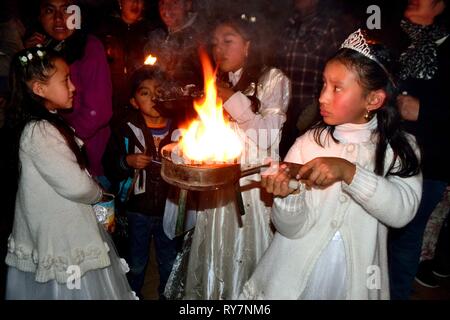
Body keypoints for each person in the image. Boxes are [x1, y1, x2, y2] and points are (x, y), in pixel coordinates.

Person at [240, 29, 422, 300]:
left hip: (357, 278)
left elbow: (401, 212)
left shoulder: (400, 148)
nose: (323, 97)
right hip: (296, 273)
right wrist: (286, 196)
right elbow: (290, 229)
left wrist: (350, 172)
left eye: (337, 88)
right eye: (324, 84)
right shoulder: (309, 142)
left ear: (373, 100)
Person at [3, 47, 135, 300]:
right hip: (60, 237)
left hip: (67, 228)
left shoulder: (50, 123)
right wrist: (98, 193)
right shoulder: (39, 132)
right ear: (39, 89)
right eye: (66, 80)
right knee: (68, 290)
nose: (73, 87)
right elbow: (75, 185)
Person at [179, 14, 291, 300]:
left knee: (248, 254)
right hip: (219, 187)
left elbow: (267, 138)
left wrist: (229, 97)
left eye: (229, 41)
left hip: (253, 188)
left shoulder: (272, 79)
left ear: (249, 45)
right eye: (215, 44)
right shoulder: (217, 82)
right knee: (216, 249)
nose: (220, 50)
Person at [388, 0, 450, 300]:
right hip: (384, 154)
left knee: (403, 236)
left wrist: (424, 110)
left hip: (429, 163)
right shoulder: (395, 39)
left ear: (440, 6)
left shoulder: (448, 46)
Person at [103, 66, 178, 300]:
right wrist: (127, 161)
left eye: (158, 91)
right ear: (134, 101)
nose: (153, 97)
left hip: (169, 207)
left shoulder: (181, 128)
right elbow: (110, 164)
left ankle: (166, 295)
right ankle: (132, 295)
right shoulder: (125, 129)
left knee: (168, 260)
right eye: (145, 93)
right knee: (136, 262)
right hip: (137, 209)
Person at [24, 0, 113, 180]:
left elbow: (98, 112)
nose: (58, 18)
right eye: (50, 10)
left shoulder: (89, 47)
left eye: (67, 9)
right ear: (40, 16)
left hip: (83, 156)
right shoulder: (41, 49)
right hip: (47, 149)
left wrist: (62, 140)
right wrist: (28, 58)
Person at [277, 0, 355, 159]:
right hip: (283, 103)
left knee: (308, 151)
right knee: (283, 152)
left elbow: (340, 66)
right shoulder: (289, 23)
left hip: (311, 104)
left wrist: (316, 106)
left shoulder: (330, 25)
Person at [95, 0, 161, 118]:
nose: (136, 3)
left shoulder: (151, 31)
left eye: (140, 0)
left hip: (141, 106)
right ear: (120, 2)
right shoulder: (105, 29)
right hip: (109, 103)